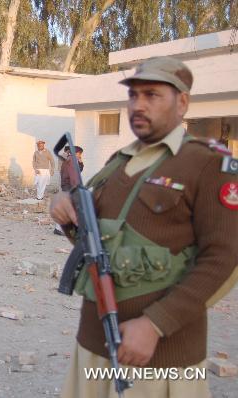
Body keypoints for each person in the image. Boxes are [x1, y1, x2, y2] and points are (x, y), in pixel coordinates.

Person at [50, 56, 238, 398]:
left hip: (160, 357)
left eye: (152, 95)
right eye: (134, 95)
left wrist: (156, 323)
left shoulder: (209, 164)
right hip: (94, 344)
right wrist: (66, 214)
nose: (138, 105)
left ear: (182, 102)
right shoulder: (117, 163)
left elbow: (224, 261)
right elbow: (95, 240)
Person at [54, 145, 83, 236]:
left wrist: (81, 163)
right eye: (79, 153)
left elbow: (78, 171)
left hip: (67, 187)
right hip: (69, 187)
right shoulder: (71, 161)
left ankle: (59, 228)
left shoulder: (71, 160)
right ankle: (60, 228)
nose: (80, 155)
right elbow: (73, 176)